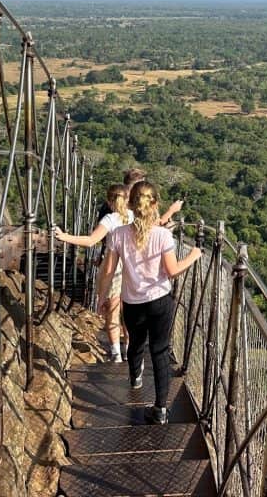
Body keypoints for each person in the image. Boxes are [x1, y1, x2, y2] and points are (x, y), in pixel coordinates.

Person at [93, 181, 200, 424]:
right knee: (160, 351)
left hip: (132, 301)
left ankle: (135, 379)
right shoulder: (163, 235)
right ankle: (161, 409)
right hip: (160, 300)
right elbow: (172, 271)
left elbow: (108, 270)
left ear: (131, 205)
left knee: (136, 343)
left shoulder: (118, 234)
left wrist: (101, 297)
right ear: (154, 205)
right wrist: (193, 256)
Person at [55, 183, 132, 361]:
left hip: (113, 266)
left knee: (112, 311)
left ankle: (116, 354)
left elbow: (91, 241)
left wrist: (64, 236)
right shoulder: (134, 216)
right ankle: (130, 349)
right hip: (133, 267)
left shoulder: (110, 220)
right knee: (129, 312)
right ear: (127, 199)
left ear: (109, 200)